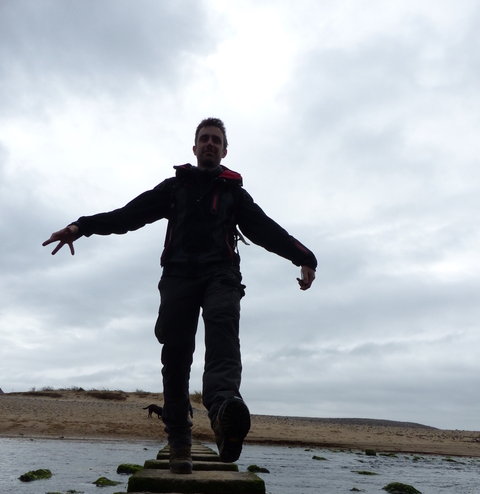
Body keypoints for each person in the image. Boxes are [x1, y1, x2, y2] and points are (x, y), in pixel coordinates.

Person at [43, 118, 317, 474]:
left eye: (216, 140)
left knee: (222, 334)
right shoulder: (176, 187)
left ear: (225, 150)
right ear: (194, 148)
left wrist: (304, 257)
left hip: (222, 275)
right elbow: (128, 215)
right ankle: (180, 441)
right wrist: (82, 227)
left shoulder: (233, 193)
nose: (210, 143)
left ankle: (224, 413)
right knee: (175, 354)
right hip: (178, 276)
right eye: (204, 138)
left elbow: (266, 230)